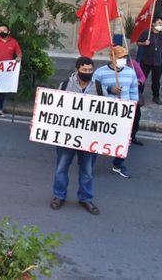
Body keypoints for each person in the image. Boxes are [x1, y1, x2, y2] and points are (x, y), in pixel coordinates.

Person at [50, 57, 101, 215]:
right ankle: (59, 196)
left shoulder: (98, 87)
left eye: (90, 70)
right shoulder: (65, 85)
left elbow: (108, 111)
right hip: (67, 137)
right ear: (77, 69)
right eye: (84, 70)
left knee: (87, 171)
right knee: (61, 168)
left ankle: (85, 198)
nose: (87, 73)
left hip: (89, 138)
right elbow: (54, 108)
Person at [94, 45, 139, 179]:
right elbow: (92, 89)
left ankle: (118, 164)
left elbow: (134, 92)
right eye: (120, 57)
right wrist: (109, 90)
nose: (123, 59)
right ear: (111, 58)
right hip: (105, 112)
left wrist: (133, 109)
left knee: (123, 140)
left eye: (125, 57)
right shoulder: (100, 72)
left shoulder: (130, 72)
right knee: (97, 138)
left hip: (124, 113)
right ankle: (89, 164)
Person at [137, 16, 162, 105]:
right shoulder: (146, 33)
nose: (160, 25)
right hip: (146, 61)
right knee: (142, 79)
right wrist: (144, 43)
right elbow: (138, 42)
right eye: (159, 23)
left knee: (156, 80)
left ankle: (156, 96)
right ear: (153, 23)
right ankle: (139, 95)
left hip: (158, 62)